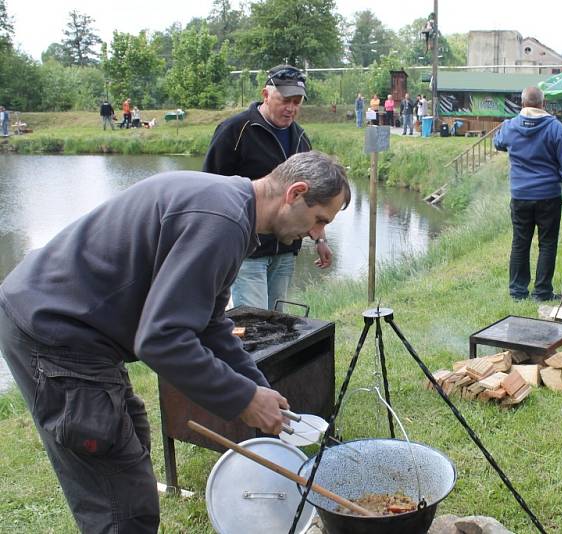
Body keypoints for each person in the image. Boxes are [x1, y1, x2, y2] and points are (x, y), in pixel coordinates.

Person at [0, 150, 352, 533]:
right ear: (295, 193)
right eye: (320, 220)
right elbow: (161, 340)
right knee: (121, 504)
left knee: (131, 445)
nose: (317, 234)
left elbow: (210, 323)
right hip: (54, 334)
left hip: (79, 331)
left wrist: (258, 386)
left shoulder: (234, 211)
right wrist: (244, 400)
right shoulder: (222, 222)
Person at [204, 64, 332, 312]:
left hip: (286, 249)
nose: (291, 108)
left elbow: (311, 199)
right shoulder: (235, 130)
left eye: (297, 102)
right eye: (285, 100)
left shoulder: (302, 138)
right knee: (255, 321)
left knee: (276, 320)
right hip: (247, 249)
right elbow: (210, 187)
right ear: (265, 94)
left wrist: (319, 239)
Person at [494, 86, 562, 301]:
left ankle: (517, 291)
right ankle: (542, 292)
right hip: (548, 195)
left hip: (520, 194)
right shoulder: (554, 127)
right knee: (547, 243)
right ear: (543, 103)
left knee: (520, 242)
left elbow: (498, 142)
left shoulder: (510, 126)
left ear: (522, 104)